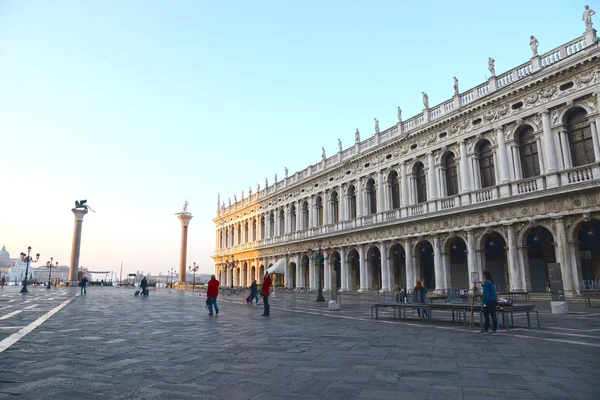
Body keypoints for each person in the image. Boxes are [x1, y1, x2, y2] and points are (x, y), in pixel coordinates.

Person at [481, 270, 498, 334]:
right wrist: (482, 284)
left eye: (483, 275)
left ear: (485, 275)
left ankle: (486, 329)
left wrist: (484, 303)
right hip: (493, 300)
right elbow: (489, 289)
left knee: (486, 315)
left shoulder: (486, 282)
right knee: (493, 315)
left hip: (488, 301)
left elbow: (486, 294)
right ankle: (494, 329)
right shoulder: (491, 282)